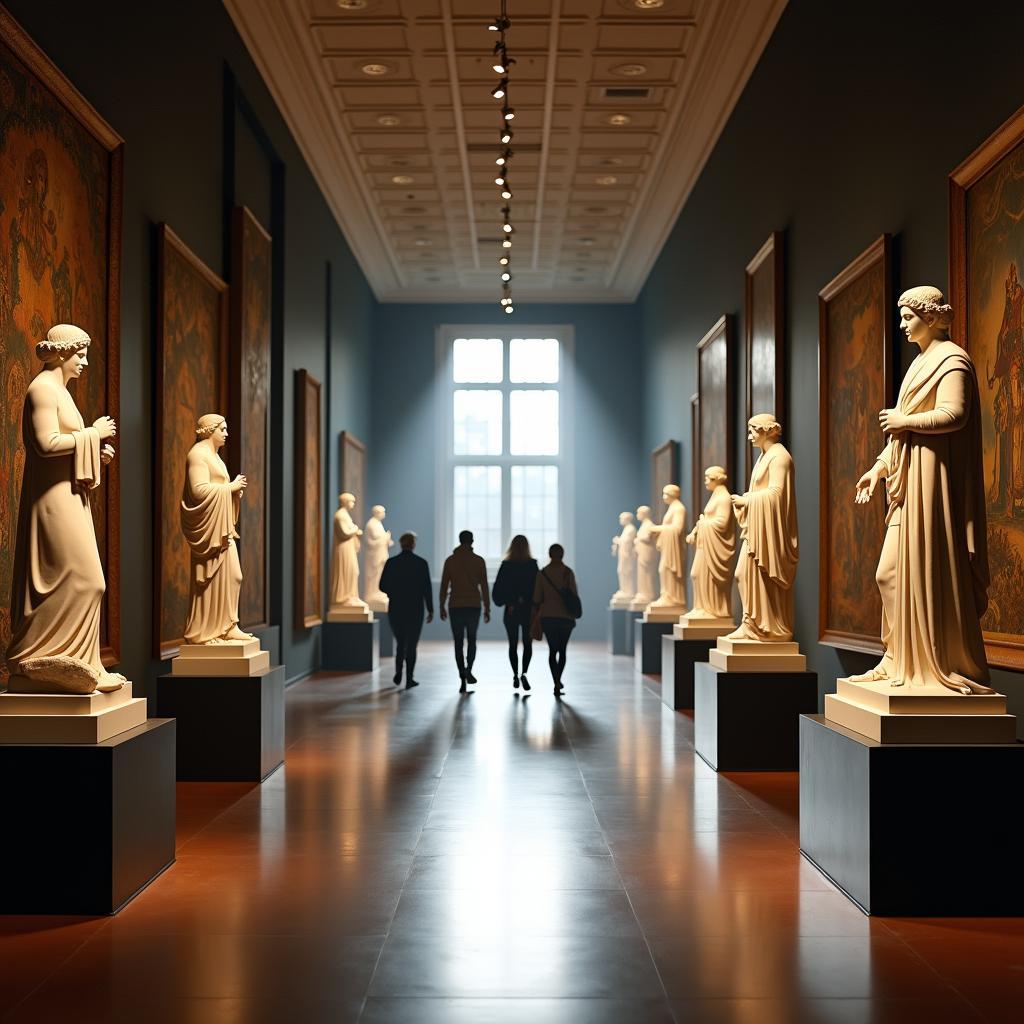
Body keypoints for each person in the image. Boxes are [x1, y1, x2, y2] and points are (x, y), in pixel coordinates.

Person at [853, 286, 994, 694]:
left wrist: (904, 422)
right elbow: (901, 430)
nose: (901, 325)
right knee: (889, 572)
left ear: (930, 317)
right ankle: (896, 657)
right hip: (909, 480)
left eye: (907, 317)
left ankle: (935, 663)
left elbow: (955, 414)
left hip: (934, 483)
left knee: (926, 569)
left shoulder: (953, 360)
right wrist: (878, 468)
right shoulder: (919, 363)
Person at [6, 324, 125, 694]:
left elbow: (66, 445)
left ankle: (85, 661)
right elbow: (45, 443)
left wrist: (95, 454)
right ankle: (37, 656)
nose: (86, 362)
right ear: (61, 354)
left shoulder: (60, 391)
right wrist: (93, 434)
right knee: (86, 580)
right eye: (80, 354)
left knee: (89, 581)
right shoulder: (42, 390)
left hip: (71, 496)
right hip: (53, 500)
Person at [180, 414, 255, 645]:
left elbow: (215, 488)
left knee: (234, 576)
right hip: (209, 532)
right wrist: (229, 488)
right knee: (214, 580)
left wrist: (233, 494)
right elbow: (199, 490)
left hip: (221, 528)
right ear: (209, 430)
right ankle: (205, 633)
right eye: (222, 429)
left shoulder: (215, 457)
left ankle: (228, 626)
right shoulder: (198, 455)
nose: (226, 433)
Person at [378, 532, 433, 690]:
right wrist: (430, 609)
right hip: (415, 608)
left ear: (401, 544)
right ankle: (409, 678)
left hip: (396, 607)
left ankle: (398, 673)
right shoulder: (421, 563)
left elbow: (381, 586)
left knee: (400, 642)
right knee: (412, 645)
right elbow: (426, 589)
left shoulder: (392, 563)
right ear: (413, 544)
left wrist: (393, 593)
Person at [439, 530, 491, 692]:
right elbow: (484, 586)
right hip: (474, 605)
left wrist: (441, 605)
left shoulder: (450, 561)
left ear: (460, 541)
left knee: (458, 641)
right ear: (472, 541)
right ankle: (469, 669)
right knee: (472, 639)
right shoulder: (479, 561)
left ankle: (462, 675)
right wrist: (487, 607)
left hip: (455, 604)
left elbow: (444, 585)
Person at [492, 534, 538, 691]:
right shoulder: (532, 565)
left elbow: (498, 590)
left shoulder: (506, 565)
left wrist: (510, 601)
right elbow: (536, 589)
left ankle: (515, 675)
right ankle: (524, 673)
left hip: (511, 610)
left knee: (512, 644)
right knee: (527, 643)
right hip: (528, 610)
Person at [533, 543, 579, 697]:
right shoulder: (568, 573)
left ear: (550, 555)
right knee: (563, 650)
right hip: (565, 617)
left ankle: (556, 681)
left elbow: (537, 597)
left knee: (553, 650)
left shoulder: (543, 573)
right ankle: (558, 680)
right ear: (562, 554)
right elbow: (574, 595)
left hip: (548, 616)